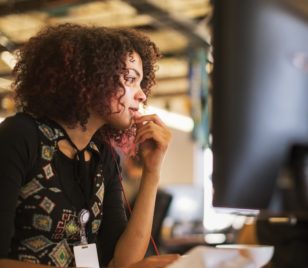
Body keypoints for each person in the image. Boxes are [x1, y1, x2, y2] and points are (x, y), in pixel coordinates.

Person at [0, 23, 179, 267]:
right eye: (130, 79)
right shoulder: (20, 135)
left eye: (140, 83)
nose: (142, 95)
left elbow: (124, 262)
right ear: (92, 79)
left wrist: (152, 172)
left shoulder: (103, 156)